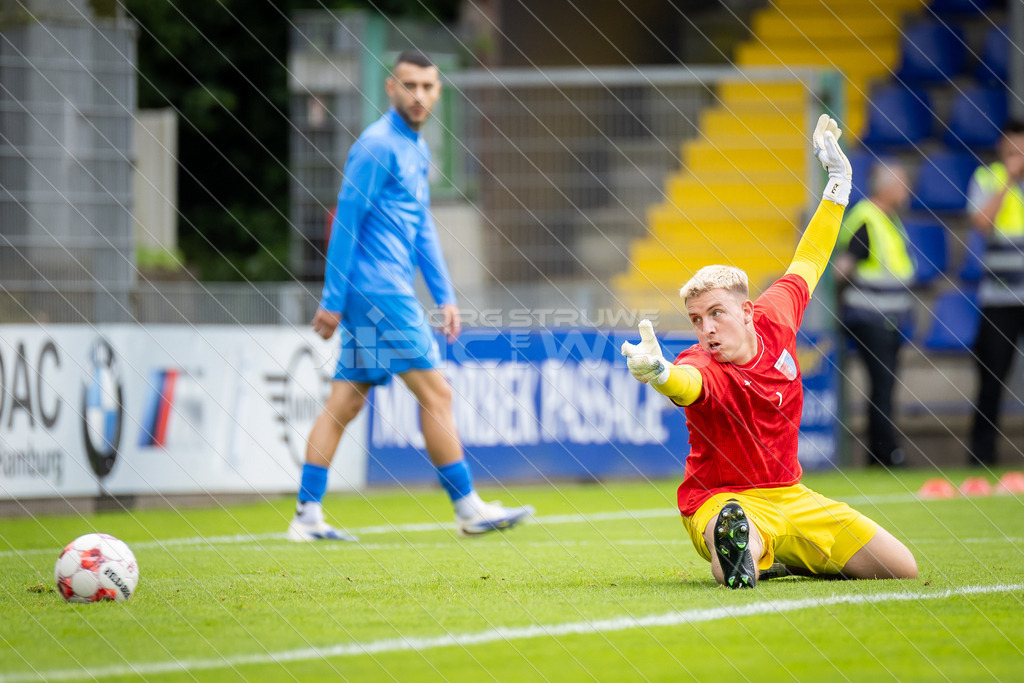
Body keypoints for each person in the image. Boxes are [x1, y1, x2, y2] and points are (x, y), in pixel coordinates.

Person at [620, 115, 918, 588]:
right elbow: (686, 385)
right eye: (697, 320)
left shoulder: (776, 315)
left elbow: (811, 258)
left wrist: (838, 184)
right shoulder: (701, 363)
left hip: (789, 496)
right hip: (719, 499)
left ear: (747, 311)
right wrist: (658, 372)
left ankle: (774, 554)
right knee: (735, 542)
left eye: (716, 313)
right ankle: (745, 549)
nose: (707, 329)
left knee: (901, 567)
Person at [288, 50, 533, 541]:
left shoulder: (416, 148)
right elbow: (345, 222)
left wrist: (445, 294)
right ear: (390, 88)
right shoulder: (376, 145)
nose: (419, 95)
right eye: (410, 85)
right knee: (437, 392)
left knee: (346, 401)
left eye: (428, 86)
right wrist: (333, 298)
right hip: (378, 291)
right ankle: (468, 509)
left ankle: (306, 517)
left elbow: (421, 229)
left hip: (383, 290)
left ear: (438, 91)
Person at [834, 161, 915, 467]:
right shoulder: (867, 218)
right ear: (887, 187)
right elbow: (843, 268)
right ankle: (886, 454)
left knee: (885, 386)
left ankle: (878, 455)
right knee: (882, 386)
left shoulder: (888, 219)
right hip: (869, 319)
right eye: (902, 184)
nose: (907, 191)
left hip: (888, 319)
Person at [966, 120, 1024, 467]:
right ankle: (981, 457)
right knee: (991, 380)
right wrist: (1007, 179)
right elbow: (981, 222)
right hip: (999, 299)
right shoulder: (987, 179)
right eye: (1012, 151)